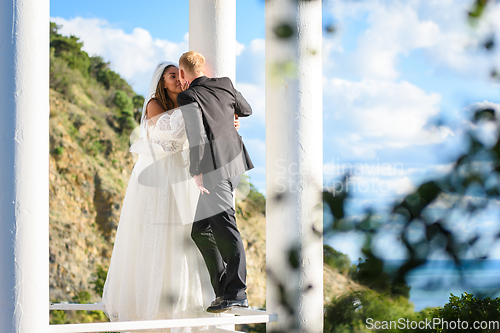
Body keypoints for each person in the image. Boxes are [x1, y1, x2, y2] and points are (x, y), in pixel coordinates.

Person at [101, 61, 240, 325]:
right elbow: (174, 131)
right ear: (162, 82)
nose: (178, 79)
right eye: (172, 76)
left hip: (184, 174)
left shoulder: (190, 102)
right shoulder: (155, 103)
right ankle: (151, 307)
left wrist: (221, 117)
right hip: (160, 175)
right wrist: (212, 111)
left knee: (186, 235)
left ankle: (191, 302)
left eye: (180, 75)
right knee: (158, 234)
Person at [177, 51, 254, 313]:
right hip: (235, 164)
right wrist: (230, 117)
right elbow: (246, 109)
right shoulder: (226, 84)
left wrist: (197, 170)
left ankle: (237, 292)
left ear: (182, 74)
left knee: (226, 227)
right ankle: (224, 290)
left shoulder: (187, 95)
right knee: (200, 230)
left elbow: (197, 134)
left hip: (214, 169)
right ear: (203, 68)